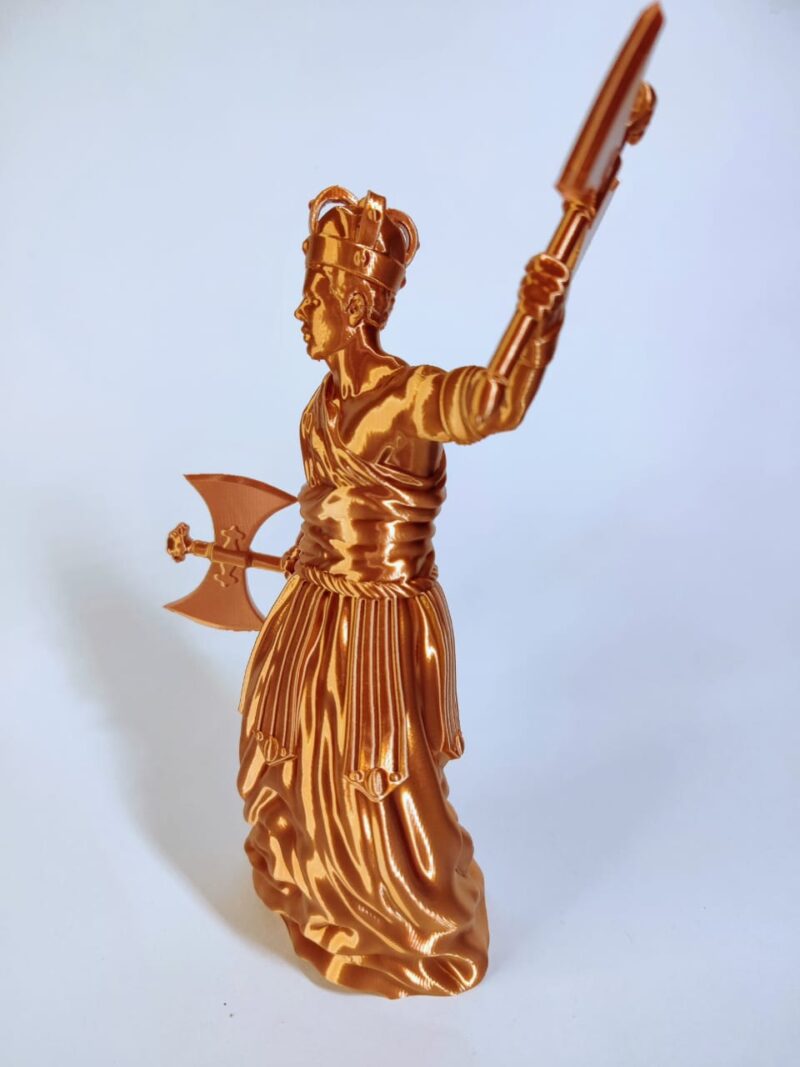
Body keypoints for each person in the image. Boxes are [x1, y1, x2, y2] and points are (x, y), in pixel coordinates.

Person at [237, 185, 569, 998]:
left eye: (314, 298)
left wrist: (535, 317)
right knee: (300, 765)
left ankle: (417, 919)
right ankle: (326, 897)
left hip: (383, 621)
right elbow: (325, 507)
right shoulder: (320, 409)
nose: (300, 313)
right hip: (318, 609)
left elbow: (494, 403)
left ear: (353, 305)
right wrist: (305, 552)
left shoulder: (405, 397)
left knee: (383, 780)